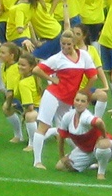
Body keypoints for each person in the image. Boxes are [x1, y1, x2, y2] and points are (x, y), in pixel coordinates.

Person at [31, 30, 98, 169]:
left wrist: (84, 91)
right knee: (43, 125)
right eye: (62, 44)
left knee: (69, 129)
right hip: (54, 94)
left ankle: (83, 158)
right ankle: (37, 161)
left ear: (74, 44)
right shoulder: (57, 58)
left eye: (68, 44)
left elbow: (93, 76)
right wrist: (50, 79)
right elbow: (36, 70)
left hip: (68, 98)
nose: (65, 47)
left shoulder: (84, 56)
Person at [54, 91, 112, 179]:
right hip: (86, 150)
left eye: (83, 101)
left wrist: (104, 136)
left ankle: (101, 173)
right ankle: (91, 163)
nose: (79, 103)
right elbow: (61, 136)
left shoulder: (86, 116)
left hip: (104, 147)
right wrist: (62, 156)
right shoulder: (68, 116)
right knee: (61, 166)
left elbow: (99, 122)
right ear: (74, 101)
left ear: (87, 104)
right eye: (77, 100)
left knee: (103, 145)